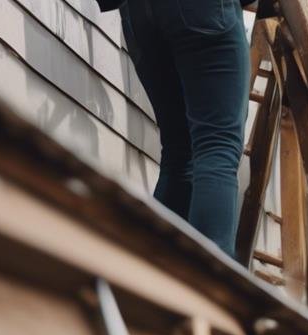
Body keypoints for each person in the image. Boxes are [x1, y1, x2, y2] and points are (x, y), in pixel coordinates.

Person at [96, 0, 252, 258]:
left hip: (137, 13)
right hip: (204, 13)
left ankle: (154, 275)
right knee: (217, 146)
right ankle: (206, 283)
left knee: (180, 154)